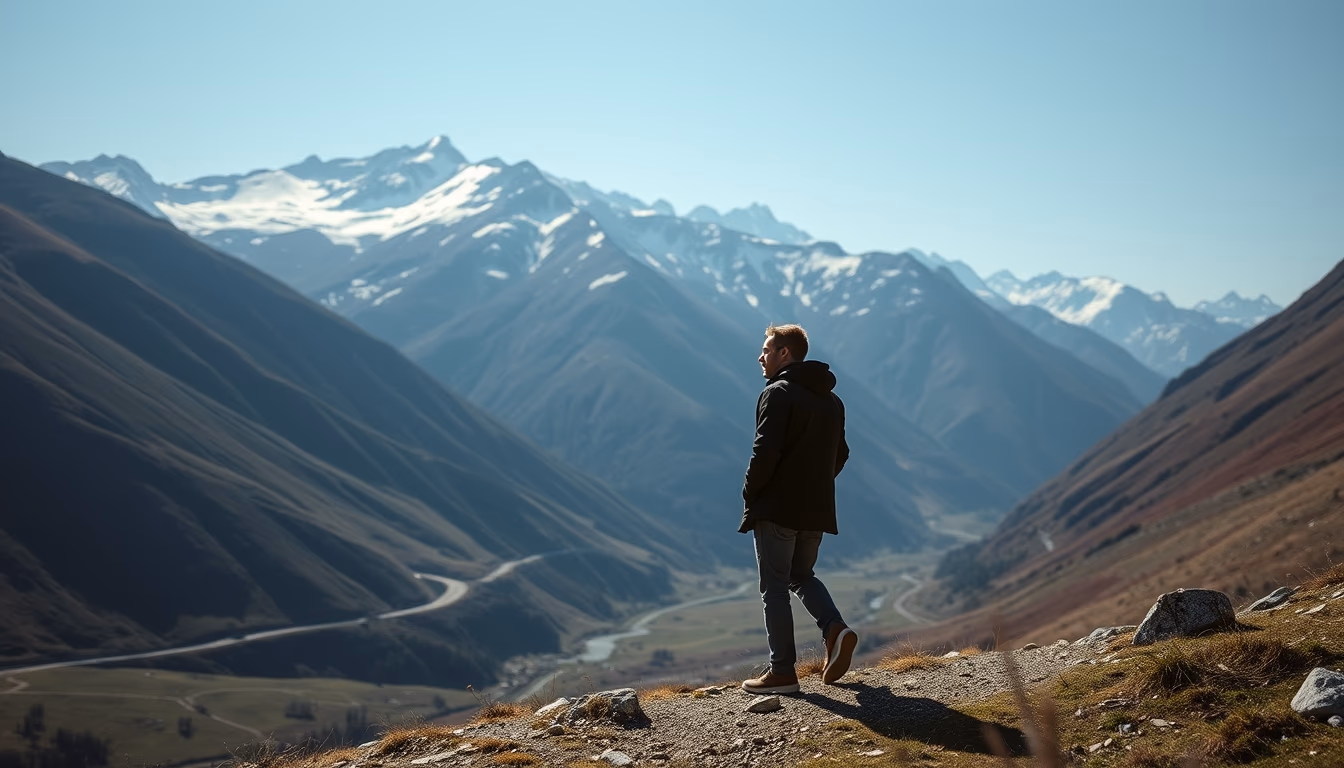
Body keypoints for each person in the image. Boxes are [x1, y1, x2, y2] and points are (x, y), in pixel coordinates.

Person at [739, 323, 857, 695]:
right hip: (816, 509)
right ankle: (835, 628)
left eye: (766, 349)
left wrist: (750, 492)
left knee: (774, 585)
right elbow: (841, 455)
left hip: (777, 507)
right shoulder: (832, 401)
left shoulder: (777, 393)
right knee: (801, 575)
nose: (760, 356)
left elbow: (765, 451)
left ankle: (782, 672)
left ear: (784, 353)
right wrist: (815, 486)